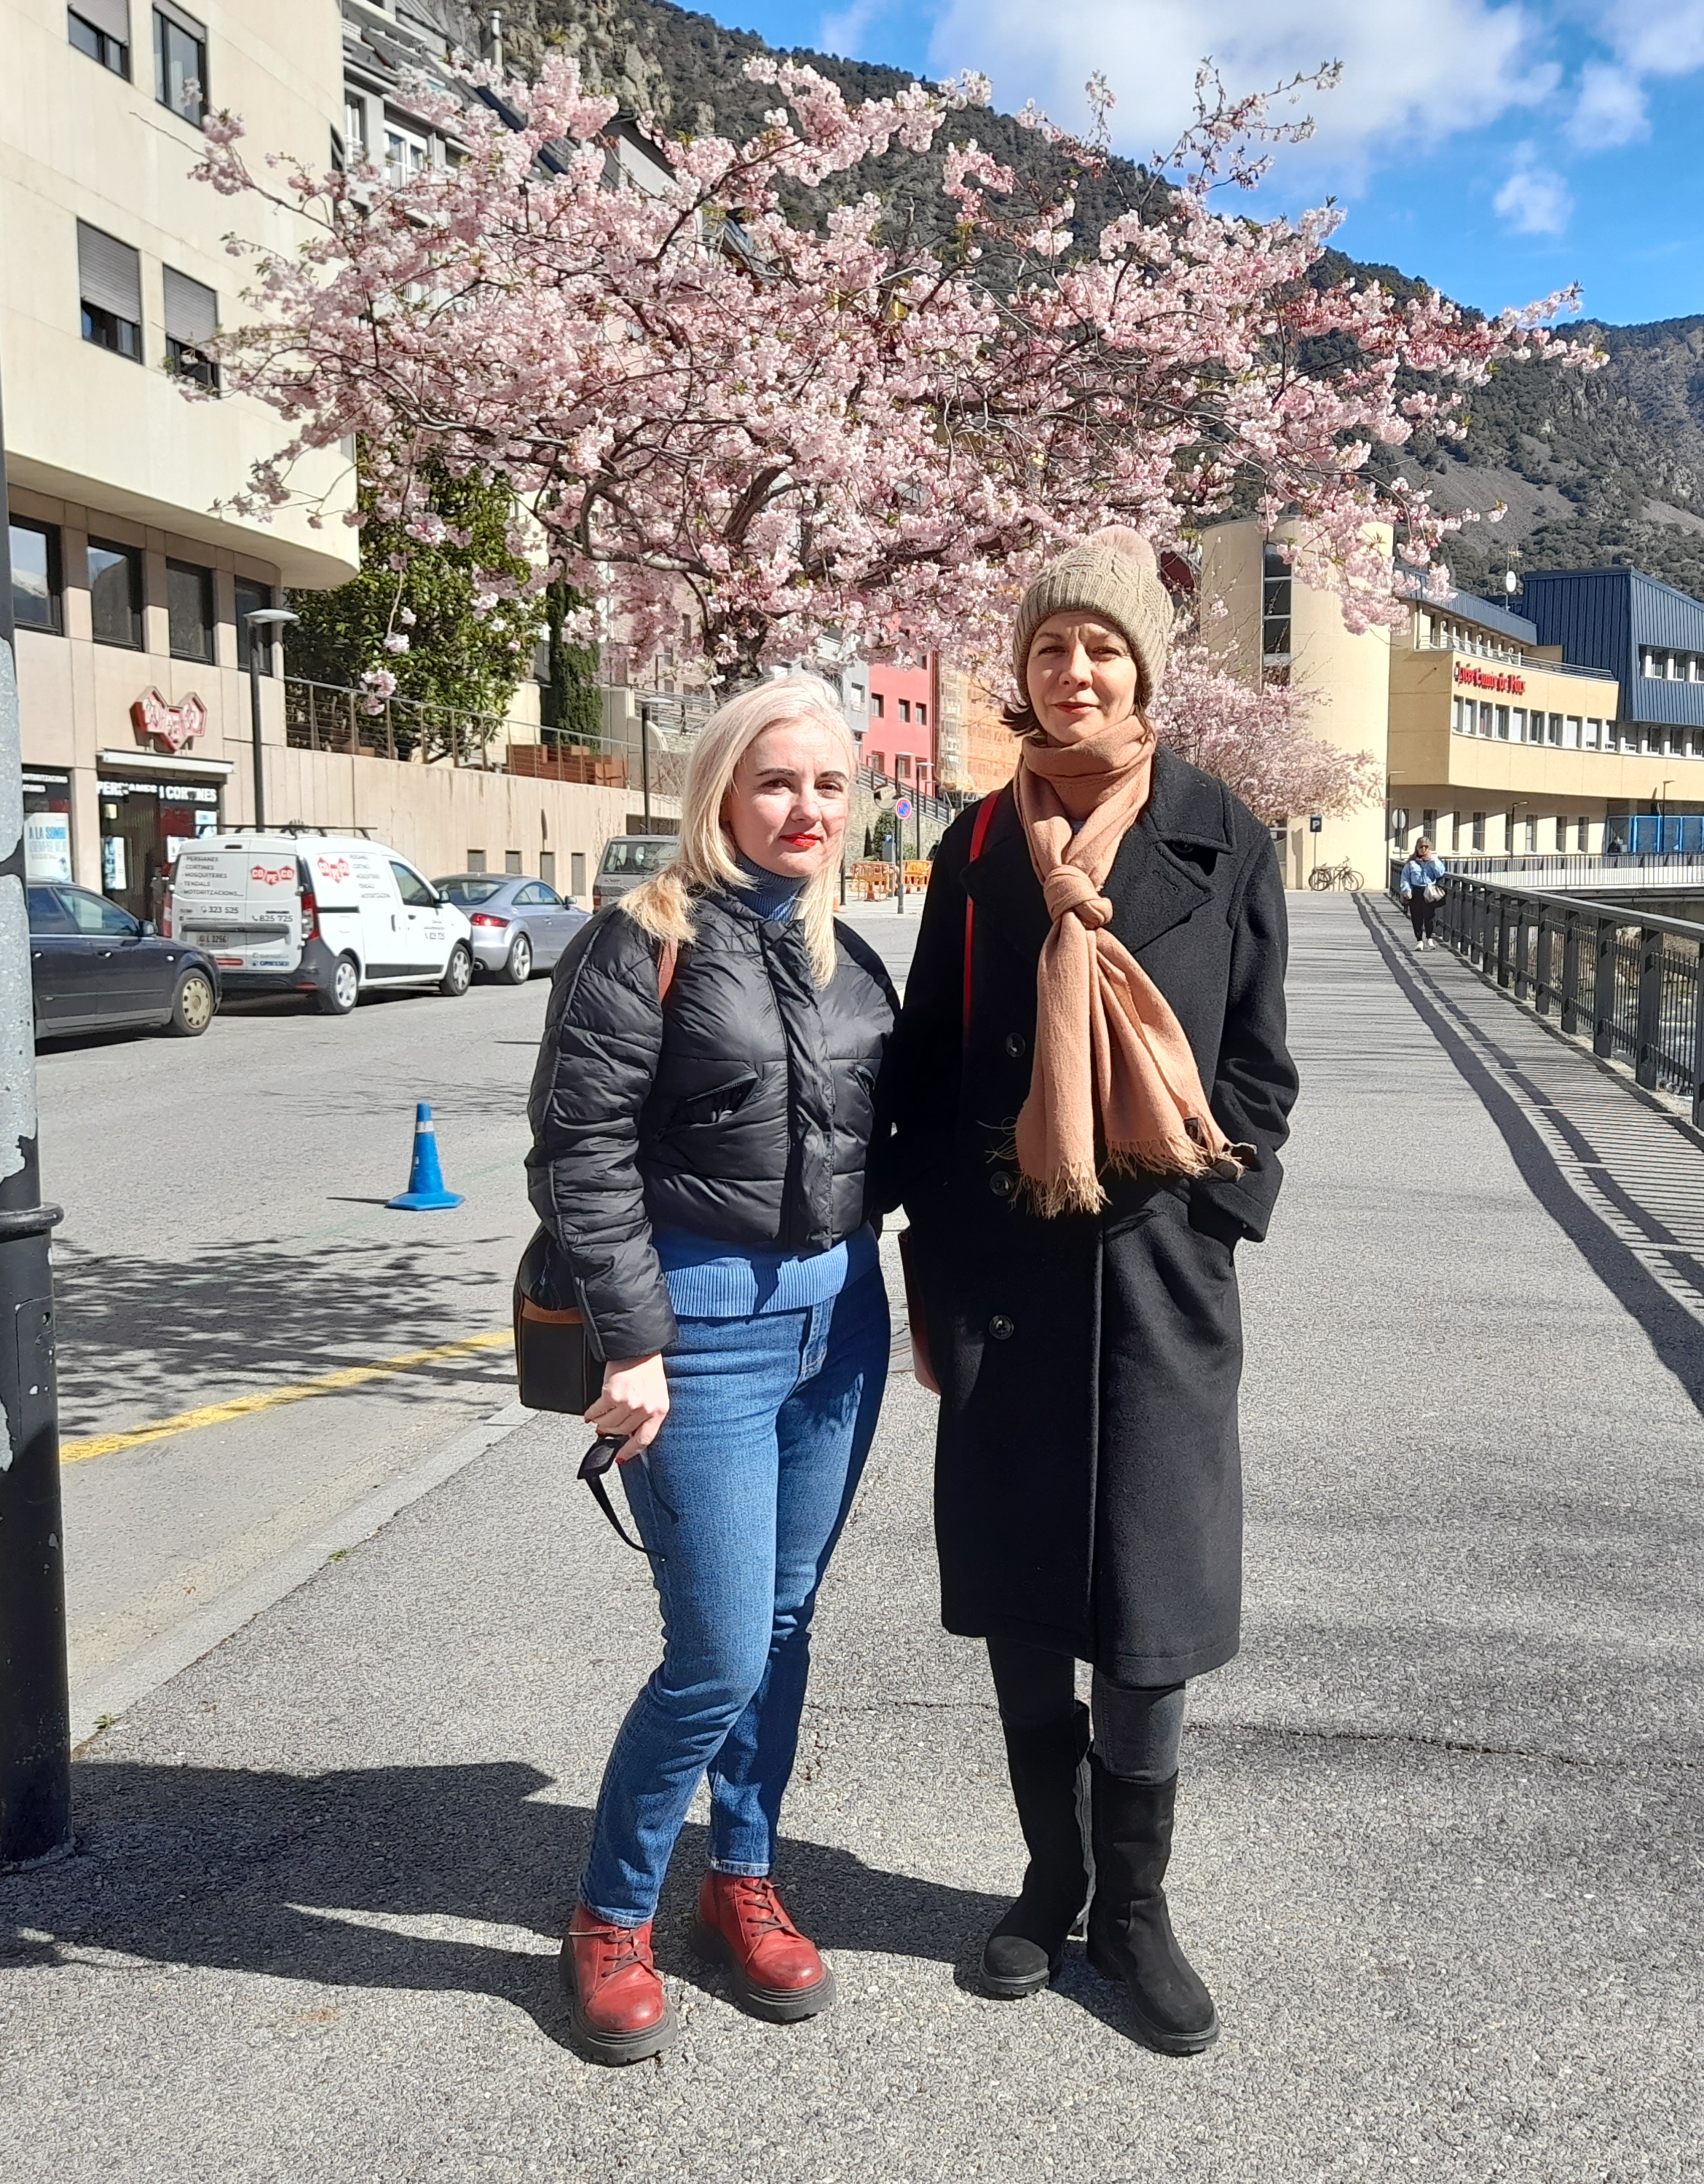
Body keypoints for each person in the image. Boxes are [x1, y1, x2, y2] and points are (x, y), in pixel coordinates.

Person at [882, 527, 1298, 2057]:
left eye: (1102, 650)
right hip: (1006, 1266)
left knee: (1148, 1600)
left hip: (1159, 1274)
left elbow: (1260, 1064)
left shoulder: (1221, 833)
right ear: (1024, 668)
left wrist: (1207, 1212)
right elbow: (930, 1069)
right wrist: (934, 1265)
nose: (1074, 673)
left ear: (1143, 672)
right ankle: (1047, 1878)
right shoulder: (977, 847)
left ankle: (1132, 1906)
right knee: (1021, 1590)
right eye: (1051, 648)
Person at [524, 675, 898, 2065]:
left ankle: (741, 1878)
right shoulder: (641, 941)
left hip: (839, 1332)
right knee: (720, 1650)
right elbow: (580, 1154)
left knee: (785, 1626)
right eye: (777, 782)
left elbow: (888, 1144)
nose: (806, 809)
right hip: (700, 1345)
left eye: (829, 786)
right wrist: (633, 1343)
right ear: (721, 793)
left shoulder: (844, 955)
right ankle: (613, 1912)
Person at [1397, 835, 1447, 949]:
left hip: (1429, 892)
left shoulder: (1434, 860)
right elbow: (1405, 878)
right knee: (1416, 917)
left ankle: (1429, 938)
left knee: (1430, 917)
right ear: (1417, 848)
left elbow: (1440, 873)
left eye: (1426, 847)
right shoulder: (1411, 863)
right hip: (1416, 892)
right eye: (1421, 847)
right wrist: (1407, 890)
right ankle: (1419, 941)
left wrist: (1432, 860)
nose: (1424, 849)